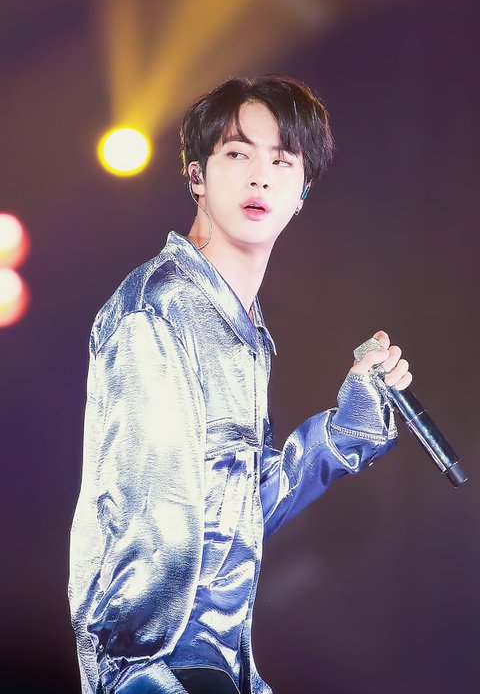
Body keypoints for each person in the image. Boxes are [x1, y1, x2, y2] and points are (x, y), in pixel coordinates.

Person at [68, 75, 412, 694]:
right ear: (196, 176)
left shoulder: (244, 331)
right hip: (159, 669)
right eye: (237, 154)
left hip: (223, 665)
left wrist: (348, 429)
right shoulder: (158, 311)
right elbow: (150, 524)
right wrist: (138, 675)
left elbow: (237, 513)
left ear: (303, 192)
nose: (260, 178)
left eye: (282, 161)